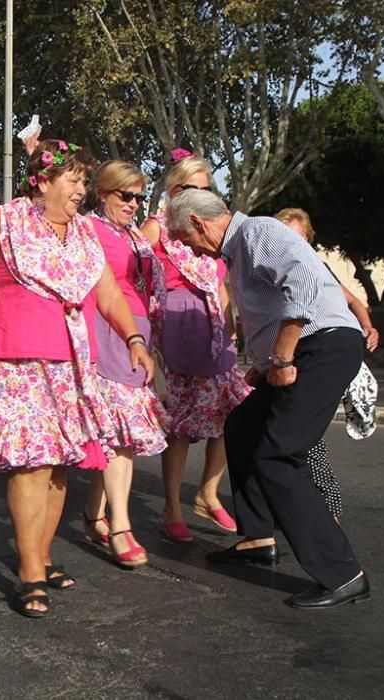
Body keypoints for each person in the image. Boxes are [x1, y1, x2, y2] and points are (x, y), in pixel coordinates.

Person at [0, 139, 152, 618]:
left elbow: (107, 293)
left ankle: (41, 555)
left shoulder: (84, 233)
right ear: (42, 181)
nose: (81, 190)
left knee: (62, 465)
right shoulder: (4, 220)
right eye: (74, 180)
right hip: (13, 358)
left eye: (85, 181)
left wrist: (134, 339)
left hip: (73, 365)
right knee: (32, 463)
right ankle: (29, 572)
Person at [166, 189, 371, 609]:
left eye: (183, 237)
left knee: (278, 453)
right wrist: (264, 363)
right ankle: (258, 537)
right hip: (305, 349)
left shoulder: (258, 231)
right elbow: (275, 305)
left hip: (323, 346)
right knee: (243, 426)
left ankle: (342, 573)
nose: (185, 246)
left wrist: (282, 355)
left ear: (199, 224)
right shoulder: (237, 253)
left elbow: (305, 282)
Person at [140, 151, 250, 543]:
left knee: (232, 409)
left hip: (213, 324)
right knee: (181, 425)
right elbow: (136, 278)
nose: (200, 195)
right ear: (173, 189)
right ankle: (171, 507)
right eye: (191, 187)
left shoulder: (212, 227)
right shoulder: (156, 227)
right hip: (175, 322)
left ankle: (207, 491)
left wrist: (231, 320)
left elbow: (220, 282)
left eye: (206, 188)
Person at [82, 160, 170, 568]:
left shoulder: (133, 234)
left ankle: (93, 512)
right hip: (107, 329)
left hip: (137, 330)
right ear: (103, 193)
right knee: (121, 433)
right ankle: (121, 525)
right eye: (125, 195)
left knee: (117, 430)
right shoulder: (89, 229)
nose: (134, 203)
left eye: (139, 196)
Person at [276, 208, 381, 520]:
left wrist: (368, 326)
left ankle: (325, 507)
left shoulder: (316, 269)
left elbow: (353, 301)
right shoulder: (271, 267)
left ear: (308, 240)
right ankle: (297, 503)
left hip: (316, 356)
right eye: (283, 237)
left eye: (298, 238)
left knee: (302, 436)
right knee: (283, 432)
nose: (291, 245)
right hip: (285, 358)